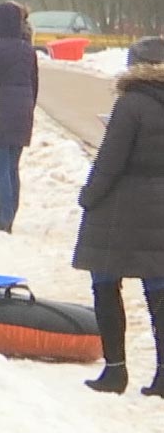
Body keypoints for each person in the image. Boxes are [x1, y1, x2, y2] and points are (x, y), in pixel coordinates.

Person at [73, 36, 164, 397]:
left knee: (106, 284)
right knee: (158, 290)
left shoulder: (131, 105)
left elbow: (110, 162)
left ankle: (115, 372)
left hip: (120, 209)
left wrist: (88, 197)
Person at [0, 1, 38, 231]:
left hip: (0, 114)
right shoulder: (28, 51)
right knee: (13, 166)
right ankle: (10, 213)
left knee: (0, 165)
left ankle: (2, 217)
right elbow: (34, 84)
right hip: (23, 115)